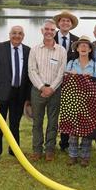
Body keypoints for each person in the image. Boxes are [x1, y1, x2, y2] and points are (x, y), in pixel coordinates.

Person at [0, 25, 31, 162]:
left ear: (23, 36)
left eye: (20, 33)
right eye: (14, 33)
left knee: (15, 124)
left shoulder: (28, 50)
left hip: (19, 94)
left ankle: (14, 150)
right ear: (9, 34)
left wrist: (28, 98)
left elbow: (28, 76)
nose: (17, 36)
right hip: (0, 93)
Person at [28, 19, 67, 162]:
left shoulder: (61, 51)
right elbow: (32, 71)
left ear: (55, 32)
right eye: (47, 29)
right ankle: (37, 150)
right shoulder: (35, 50)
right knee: (37, 122)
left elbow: (61, 73)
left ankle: (50, 149)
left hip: (55, 91)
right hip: (38, 90)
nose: (49, 32)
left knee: (52, 121)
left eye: (52, 30)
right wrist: (42, 87)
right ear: (42, 31)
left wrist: (51, 88)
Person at [65, 35, 96, 167]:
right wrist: (71, 77)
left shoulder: (95, 67)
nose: (83, 47)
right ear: (77, 48)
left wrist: (91, 79)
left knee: (87, 131)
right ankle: (72, 155)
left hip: (89, 102)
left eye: (86, 46)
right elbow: (65, 84)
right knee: (73, 131)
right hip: (73, 100)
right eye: (81, 45)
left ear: (90, 50)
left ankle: (85, 156)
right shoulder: (70, 64)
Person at [53, 10, 79, 152]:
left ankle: (65, 143)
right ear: (58, 23)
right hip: (53, 82)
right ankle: (50, 142)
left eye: (68, 21)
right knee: (53, 113)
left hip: (70, 84)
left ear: (71, 24)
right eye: (63, 20)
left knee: (68, 113)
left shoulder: (77, 40)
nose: (65, 23)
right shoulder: (51, 37)